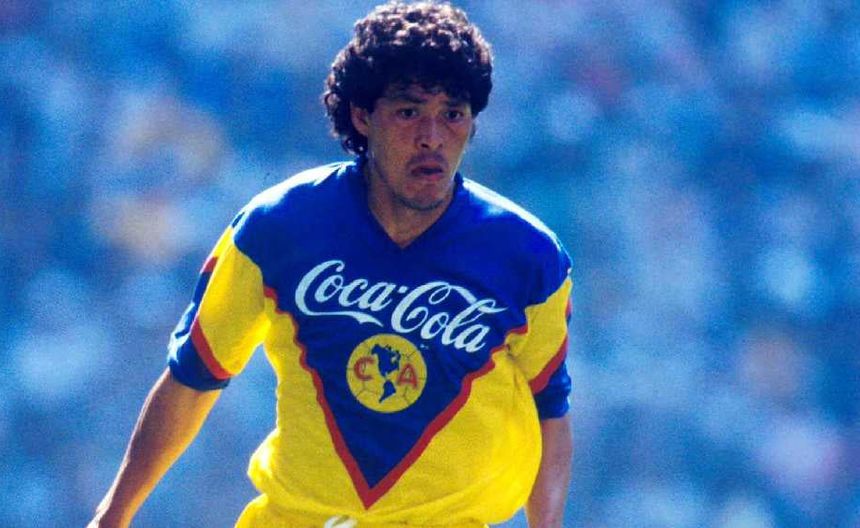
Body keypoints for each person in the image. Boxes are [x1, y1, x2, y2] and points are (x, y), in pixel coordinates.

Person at [88, 1, 573, 527]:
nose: (432, 136)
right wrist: (112, 516)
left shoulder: (529, 257)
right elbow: (192, 378)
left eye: (452, 114)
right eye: (409, 112)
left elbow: (550, 408)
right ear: (363, 116)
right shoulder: (276, 227)